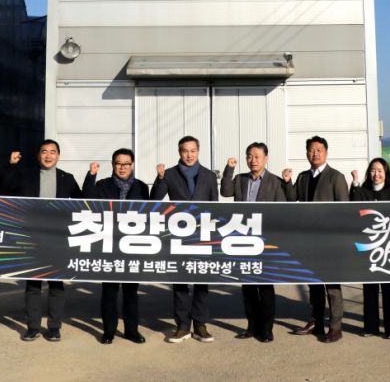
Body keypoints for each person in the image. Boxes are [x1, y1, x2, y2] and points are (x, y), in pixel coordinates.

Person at [2, 139, 83, 342]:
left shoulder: (67, 178)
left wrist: (91, 177)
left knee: (56, 285)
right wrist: (11, 166)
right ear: (39, 155)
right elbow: (4, 190)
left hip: (57, 238)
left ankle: (54, 327)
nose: (48, 155)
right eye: (44, 151)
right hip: (31, 237)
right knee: (33, 284)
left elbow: (82, 204)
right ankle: (33, 327)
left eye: (52, 152)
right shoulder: (25, 175)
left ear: (58, 156)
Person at [150, 135, 219, 343]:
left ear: (198, 151)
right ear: (179, 152)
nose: (189, 155)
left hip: (203, 234)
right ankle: (182, 326)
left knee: (202, 282)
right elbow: (155, 200)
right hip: (177, 235)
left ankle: (200, 325)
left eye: (193, 151)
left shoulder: (209, 175)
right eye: (185, 151)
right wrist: (159, 178)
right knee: (180, 282)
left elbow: (215, 206)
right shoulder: (169, 174)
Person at [283, 135, 348, 343]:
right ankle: (315, 322)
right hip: (309, 239)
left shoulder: (336, 177)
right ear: (306, 153)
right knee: (313, 285)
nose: (315, 154)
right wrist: (287, 182)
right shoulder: (303, 177)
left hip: (329, 241)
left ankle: (335, 327)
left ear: (326, 153)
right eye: (311, 150)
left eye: (319, 150)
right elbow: (292, 198)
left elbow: (344, 210)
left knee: (332, 286)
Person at [221, 142, 287, 343]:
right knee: (248, 287)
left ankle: (266, 329)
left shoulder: (275, 182)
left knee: (265, 288)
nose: (253, 160)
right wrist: (229, 169)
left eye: (257, 156)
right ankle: (251, 326)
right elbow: (225, 192)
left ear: (266, 159)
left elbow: (282, 209)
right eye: (249, 156)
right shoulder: (241, 179)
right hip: (243, 240)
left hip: (265, 241)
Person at [83, 148, 149, 345]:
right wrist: (91, 176)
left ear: (132, 165)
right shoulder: (102, 185)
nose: (122, 167)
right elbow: (86, 200)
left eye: (126, 164)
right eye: (118, 163)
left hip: (133, 245)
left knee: (131, 292)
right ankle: (109, 331)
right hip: (109, 244)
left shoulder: (141, 186)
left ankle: (132, 330)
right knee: (109, 291)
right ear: (113, 165)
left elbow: (150, 210)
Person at [350, 158, 390, 338]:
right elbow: (353, 209)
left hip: (389, 246)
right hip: (369, 246)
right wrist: (355, 184)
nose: (376, 174)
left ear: (386, 173)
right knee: (370, 289)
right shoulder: (362, 191)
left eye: (380, 170)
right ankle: (370, 327)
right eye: (373, 170)